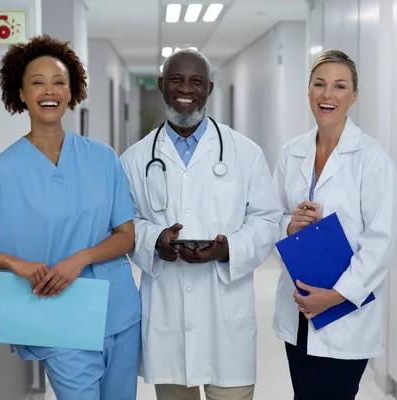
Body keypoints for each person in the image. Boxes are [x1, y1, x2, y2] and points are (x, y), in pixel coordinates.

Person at [0, 35, 140, 400]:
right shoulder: (4, 170)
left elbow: (126, 235)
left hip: (120, 311)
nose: (50, 90)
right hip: (57, 316)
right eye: (38, 82)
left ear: (72, 91)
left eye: (59, 82)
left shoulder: (102, 157)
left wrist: (80, 259)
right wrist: (12, 262)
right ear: (21, 93)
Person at [120, 48, 282, 400]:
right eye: (176, 79)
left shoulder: (245, 152)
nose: (186, 89)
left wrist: (230, 249)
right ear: (162, 85)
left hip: (226, 314)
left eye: (196, 81)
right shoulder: (134, 159)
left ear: (208, 89)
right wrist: (154, 239)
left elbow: (267, 218)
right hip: (167, 313)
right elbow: (125, 223)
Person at [272, 49, 397, 399]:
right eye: (319, 84)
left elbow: (380, 242)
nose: (328, 94)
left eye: (340, 86)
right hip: (299, 309)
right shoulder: (292, 152)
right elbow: (272, 215)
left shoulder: (372, 159)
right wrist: (289, 225)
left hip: (343, 312)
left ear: (354, 96)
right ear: (309, 91)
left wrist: (335, 296)